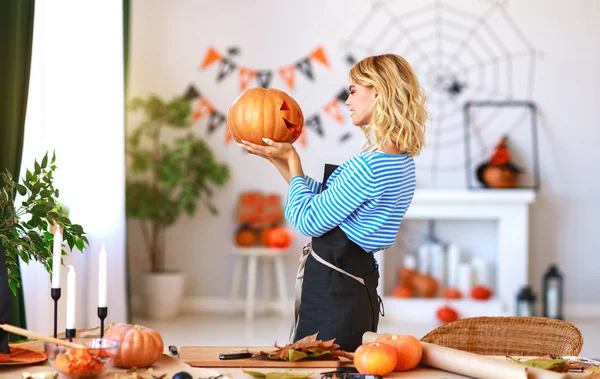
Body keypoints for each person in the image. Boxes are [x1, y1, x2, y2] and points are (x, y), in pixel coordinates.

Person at [239, 54, 427, 351]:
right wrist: (280, 162)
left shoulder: (369, 167)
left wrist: (293, 159)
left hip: (333, 293)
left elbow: (308, 219)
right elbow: (330, 203)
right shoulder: (399, 162)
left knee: (321, 368)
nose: (347, 100)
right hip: (354, 288)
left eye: (353, 91)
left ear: (378, 91)